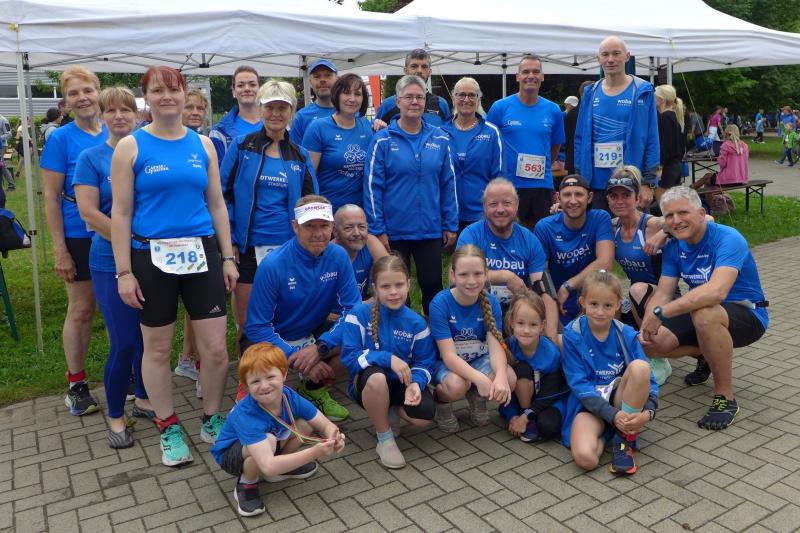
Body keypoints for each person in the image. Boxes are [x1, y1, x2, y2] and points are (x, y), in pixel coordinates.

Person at [110, 65, 238, 466]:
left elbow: (216, 204)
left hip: (202, 252)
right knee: (158, 348)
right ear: (147, 97)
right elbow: (120, 213)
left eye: (174, 89)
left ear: (185, 94)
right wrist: (124, 272)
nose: (166, 96)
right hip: (151, 256)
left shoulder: (204, 145)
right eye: (157, 90)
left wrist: (228, 257)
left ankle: (212, 418)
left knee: (215, 348)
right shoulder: (130, 147)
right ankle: (167, 426)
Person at [639, 186, 768, 430]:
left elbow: (717, 292)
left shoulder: (728, 238)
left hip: (748, 314)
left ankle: (725, 398)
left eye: (683, 213)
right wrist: (648, 322)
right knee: (652, 344)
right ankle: (706, 356)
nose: (676, 220)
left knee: (704, 312)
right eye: (669, 216)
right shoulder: (674, 247)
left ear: (701, 214)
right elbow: (663, 292)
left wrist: (662, 313)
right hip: (705, 314)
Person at [73, 86, 152, 448]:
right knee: (125, 341)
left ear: (137, 115)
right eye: (111, 111)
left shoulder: (148, 150)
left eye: (126, 110)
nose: (119, 116)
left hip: (151, 259)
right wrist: (131, 239)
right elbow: (89, 212)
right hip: (109, 261)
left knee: (150, 337)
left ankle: (145, 399)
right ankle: (116, 415)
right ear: (102, 117)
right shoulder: (91, 158)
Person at [220, 80, 318, 366]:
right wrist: (231, 240)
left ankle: (278, 378)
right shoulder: (242, 146)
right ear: (260, 109)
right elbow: (222, 194)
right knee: (248, 323)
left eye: (282, 108)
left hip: (288, 248)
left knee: (281, 318)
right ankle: (248, 382)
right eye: (270, 107)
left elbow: (311, 203)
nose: (276, 113)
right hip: (248, 248)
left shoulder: (299, 154)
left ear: (292, 112)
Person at [242, 195, 361, 421]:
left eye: (324, 225)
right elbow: (257, 327)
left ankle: (313, 389)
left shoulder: (338, 256)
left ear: (333, 227)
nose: (318, 233)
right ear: (295, 226)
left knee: (360, 335)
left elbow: (353, 310)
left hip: (312, 334)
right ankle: (270, 394)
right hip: (272, 340)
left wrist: (321, 348)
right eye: (310, 226)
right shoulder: (273, 265)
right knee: (271, 415)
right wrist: (297, 358)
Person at [40, 66, 108, 417]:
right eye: (73, 93)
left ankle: (125, 374)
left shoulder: (117, 129)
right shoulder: (60, 139)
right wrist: (60, 249)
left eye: (87, 90)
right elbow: (51, 197)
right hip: (79, 234)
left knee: (120, 306)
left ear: (99, 92)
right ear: (65, 102)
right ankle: (77, 384)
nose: (82, 98)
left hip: (116, 232)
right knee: (82, 309)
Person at [210, 343, 345, 517]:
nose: (264, 385)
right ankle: (246, 483)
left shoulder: (289, 396)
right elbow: (268, 466)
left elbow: (324, 423)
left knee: (305, 424)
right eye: (256, 381)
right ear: (245, 386)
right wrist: (314, 452)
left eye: (270, 377)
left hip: (266, 444)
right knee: (269, 441)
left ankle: (283, 468)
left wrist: (335, 436)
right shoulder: (247, 415)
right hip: (230, 455)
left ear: (284, 375)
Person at [364, 74, 458, 316]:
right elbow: (372, 188)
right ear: (398, 102)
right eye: (409, 97)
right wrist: (378, 229)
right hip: (393, 232)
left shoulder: (440, 138)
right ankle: (399, 333)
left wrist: (450, 224)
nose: (414, 102)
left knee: (432, 286)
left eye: (419, 97)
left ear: (425, 101)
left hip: (430, 229)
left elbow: (448, 184)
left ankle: (435, 332)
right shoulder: (382, 141)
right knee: (396, 291)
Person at [341, 255, 437, 468]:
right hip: (369, 384)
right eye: (386, 286)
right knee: (377, 378)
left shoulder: (417, 322)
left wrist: (416, 383)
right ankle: (385, 439)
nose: (393, 292)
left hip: (400, 384)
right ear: (375, 287)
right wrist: (388, 359)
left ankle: (390, 409)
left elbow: (425, 363)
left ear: (409, 285)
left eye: (399, 285)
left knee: (424, 417)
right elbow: (349, 357)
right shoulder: (358, 314)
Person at [562, 270, 658, 475]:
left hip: (619, 398)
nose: (600, 311)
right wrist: (612, 416)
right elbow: (578, 384)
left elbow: (649, 381)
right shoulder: (573, 333)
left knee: (641, 367)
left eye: (607, 305)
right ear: (582, 302)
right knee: (586, 459)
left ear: (618, 305)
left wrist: (648, 413)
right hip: (589, 403)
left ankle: (624, 441)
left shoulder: (626, 333)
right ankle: (613, 430)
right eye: (594, 304)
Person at [456, 178, 557, 337]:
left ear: (516, 206)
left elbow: (544, 288)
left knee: (558, 337)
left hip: (518, 313)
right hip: (478, 310)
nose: (500, 209)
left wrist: (551, 338)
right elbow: (454, 279)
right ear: (484, 207)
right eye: (493, 204)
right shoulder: (471, 235)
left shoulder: (529, 240)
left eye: (507, 203)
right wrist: (505, 276)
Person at [429, 245, 514, 432]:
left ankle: (477, 396)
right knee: (457, 385)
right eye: (464, 274)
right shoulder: (440, 303)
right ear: (453, 275)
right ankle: (442, 403)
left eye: (477, 274)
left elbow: (496, 348)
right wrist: (478, 378)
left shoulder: (491, 302)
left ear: (486, 274)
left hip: (477, 358)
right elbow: (448, 356)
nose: (471, 281)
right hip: (446, 363)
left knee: (509, 378)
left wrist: (500, 377)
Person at [574, 36, 659, 211]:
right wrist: (580, 180)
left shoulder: (642, 91)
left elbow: (652, 139)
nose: (610, 59)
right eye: (605, 55)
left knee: (633, 229)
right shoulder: (590, 93)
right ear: (599, 59)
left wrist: (648, 182)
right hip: (596, 185)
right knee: (599, 229)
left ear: (627, 56)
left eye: (616, 53)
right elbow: (579, 140)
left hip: (631, 183)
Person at [486, 55, 565, 228]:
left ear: (542, 76)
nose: (531, 76)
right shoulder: (500, 107)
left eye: (536, 72)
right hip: (510, 185)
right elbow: (488, 145)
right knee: (508, 233)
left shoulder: (553, 110)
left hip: (542, 185)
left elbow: (555, 146)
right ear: (517, 76)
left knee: (542, 234)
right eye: (526, 72)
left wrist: (542, 165)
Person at [534, 174, 614, 324]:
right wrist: (551, 300)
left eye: (578, 194)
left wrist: (568, 286)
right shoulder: (545, 227)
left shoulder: (600, 218)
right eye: (567, 195)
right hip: (558, 299)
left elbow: (605, 263)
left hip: (592, 295)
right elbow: (540, 272)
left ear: (589, 197)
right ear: (557, 198)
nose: (573, 200)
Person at [176, 88, 212, 391]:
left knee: (197, 309)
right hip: (167, 239)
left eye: (200, 108)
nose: (195, 113)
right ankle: (189, 359)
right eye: (189, 107)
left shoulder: (204, 143)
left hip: (199, 236)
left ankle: (191, 361)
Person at [499, 290, 567, 443]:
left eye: (533, 324)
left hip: (547, 399)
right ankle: (521, 414)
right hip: (521, 398)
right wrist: (514, 417)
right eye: (520, 323)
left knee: (548, 427)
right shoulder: (508, 346)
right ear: (511, 322)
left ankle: (527, 417)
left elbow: (550, 394)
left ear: (542, 326)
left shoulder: (551, 354)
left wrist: (525, 417)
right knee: (522, 369)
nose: (526, 330)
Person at [302, 73, 372, 212]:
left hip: (360, 213)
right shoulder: (318, 128)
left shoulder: (367, 126)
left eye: (357, 94)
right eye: (346, 93)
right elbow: (307, 177)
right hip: (328, 211)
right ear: (337, 95)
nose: (352, 99)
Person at [440, 77, 503, 230]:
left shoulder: (492, 132)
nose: (466, 99)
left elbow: (499, 177)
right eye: (461, 95)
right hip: (448, 214)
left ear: (478, 99)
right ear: (453, 98)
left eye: (472, 95)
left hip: (481, 215)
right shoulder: (440, 132)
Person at [373, 49, 451, 129]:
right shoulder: (388, 105)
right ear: (405, 70)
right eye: (414, 66)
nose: (419, 70)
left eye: (424, 67)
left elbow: (448, 132)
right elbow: (375, 129)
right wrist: (375, 126)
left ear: (429, 72)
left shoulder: (441, 104)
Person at [332, 204, 388, 300]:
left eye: (361, 227)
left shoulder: (370, 243)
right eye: (349, 228)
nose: (357, 233)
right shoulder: (328, 254)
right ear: (335, 231)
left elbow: (393, 273)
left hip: (361, 302)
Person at [209, 66, 262, 163]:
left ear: (260, 89)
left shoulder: (278, 125)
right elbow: (218, 170)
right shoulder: (219, 132)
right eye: (240, 85)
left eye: (252, 84)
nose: (247, 89)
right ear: (233, 91)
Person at [290, 59, 338, 145]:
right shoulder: (301, 117)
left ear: (337, 80)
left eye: (328, 75)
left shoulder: (351, 113)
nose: (322, 80)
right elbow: (294, 151)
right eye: (317, 76)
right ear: (310, 83)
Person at [655, 85, 685, 204]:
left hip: (668, 167)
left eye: (655, 96)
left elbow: (665, 145)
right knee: (670, 202)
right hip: (675, 164)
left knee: (664, 203)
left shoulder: (665, 117)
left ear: (661, 99)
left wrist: (660, 166)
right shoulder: (674, 116)